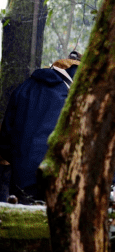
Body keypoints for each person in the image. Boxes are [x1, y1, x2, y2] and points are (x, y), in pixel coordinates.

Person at [0, 51, 82, 204]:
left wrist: (23, 162)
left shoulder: (23, 89)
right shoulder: (78, 95)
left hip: (20, 184)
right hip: (56, 183)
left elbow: (4, 142)